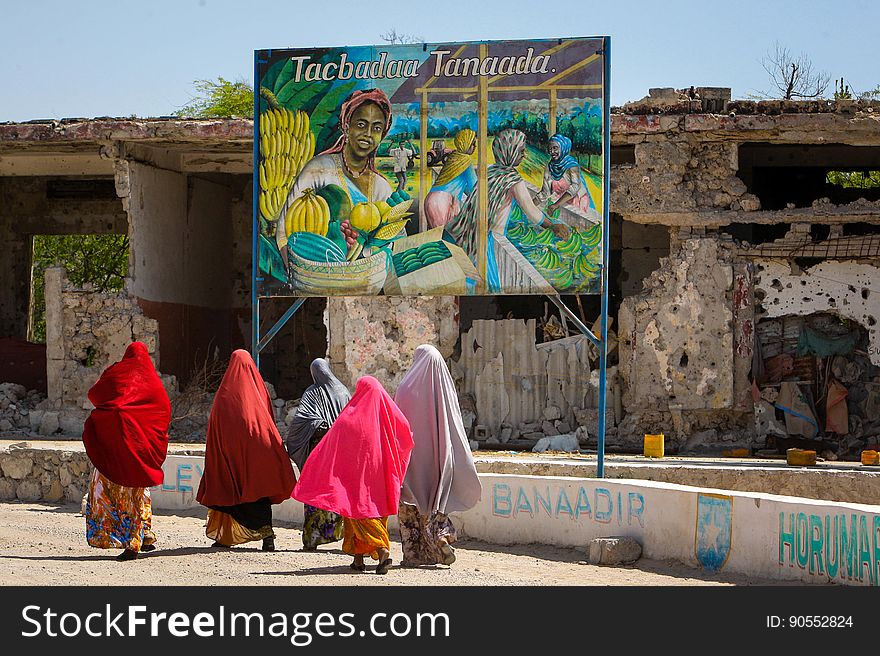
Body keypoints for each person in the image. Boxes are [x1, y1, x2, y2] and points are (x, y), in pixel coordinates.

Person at [292, 376, 413, 575]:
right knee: (374, 509)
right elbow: (406, 435)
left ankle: (382, 550)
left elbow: (332, 443)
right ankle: (358, 559)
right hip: (380, 474)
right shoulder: (388, 414)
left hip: (355, 477)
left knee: (357, 512)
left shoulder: (349, 416)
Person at [276, 88, 395, 261]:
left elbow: (393, 241)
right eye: (361, 124)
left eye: (376, 128)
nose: (368, 134)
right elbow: (283, 232)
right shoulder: (319, 169)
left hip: (367, 278)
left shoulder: (381, 187)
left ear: (382, 135)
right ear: (346, 125)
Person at [445, 128, 570, 293]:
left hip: (467, 231)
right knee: (486, 285)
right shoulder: (513, 179)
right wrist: (553, 226)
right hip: (485, 239)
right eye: (521, 151)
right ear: (510, 152)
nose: (524, 155)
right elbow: (531, 212)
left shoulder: (490, 172)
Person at [196, 350, 297, 551]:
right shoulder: (259, 389)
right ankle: (267, 537)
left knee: (229, 491)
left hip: (230, 456)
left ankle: (226, 536)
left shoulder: (224, 394)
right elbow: (268, 418)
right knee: (259, 492)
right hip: (257, 453)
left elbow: (215, 428)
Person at [82, 342, 171, 562]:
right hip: (141, 451)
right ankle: (143, 535)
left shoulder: (117, 372)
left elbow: (94, 395)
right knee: (138, 493)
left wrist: (113, 413)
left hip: (115, 448)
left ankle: (128, 540)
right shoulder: (153, 382)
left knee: (104, 488)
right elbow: (163, 410)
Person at [394, 345, 482, 567]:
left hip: (411, 461)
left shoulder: (405, 388)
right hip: (440, 458)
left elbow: (397, 424)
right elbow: (455, 425)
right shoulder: (444, 387)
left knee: (410, 505)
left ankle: (413, 556)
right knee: (436, 501)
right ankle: (441, 536)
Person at [285, 358, 351, 551]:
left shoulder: (313, 392)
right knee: (335, 490)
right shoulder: (344, 391)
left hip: (318, 451)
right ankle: (334, 533)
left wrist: (320, 426)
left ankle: (312, 538)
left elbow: (302, 420)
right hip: (338, 451)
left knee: (314, 492)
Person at [424, 128, 478, 229]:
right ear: (466, 143)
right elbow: (474, 188)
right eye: (473, 143)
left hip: (431, 199)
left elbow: (458, 183)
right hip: (443, 201)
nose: (475, 146)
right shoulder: (465, 160)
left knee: (436, 239)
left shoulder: (453, 157)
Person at [533, 133, 596, 215]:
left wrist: (556, 205)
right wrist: (530, 205)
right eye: (550, 149)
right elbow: (545, 192)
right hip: (561, 202)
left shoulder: (571, 166)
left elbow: (575, 187)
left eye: (555, 148)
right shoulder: (550, 167)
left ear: (563, 148)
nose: (552, 152)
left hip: (577, 201)